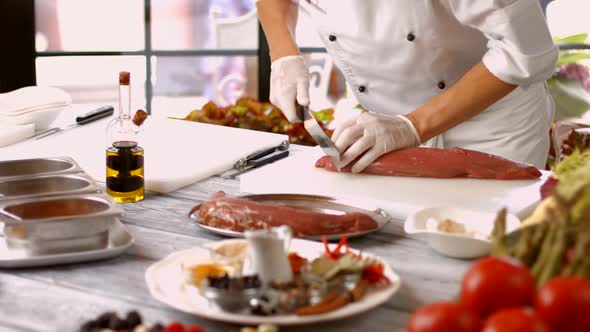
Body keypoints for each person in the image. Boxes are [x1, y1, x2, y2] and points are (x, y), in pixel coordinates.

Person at [257, 0, 559, 172]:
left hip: (492, 128)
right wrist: (283, 55)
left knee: (485, 252)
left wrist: (411, 126)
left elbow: (526, 51)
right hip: (383, 128)